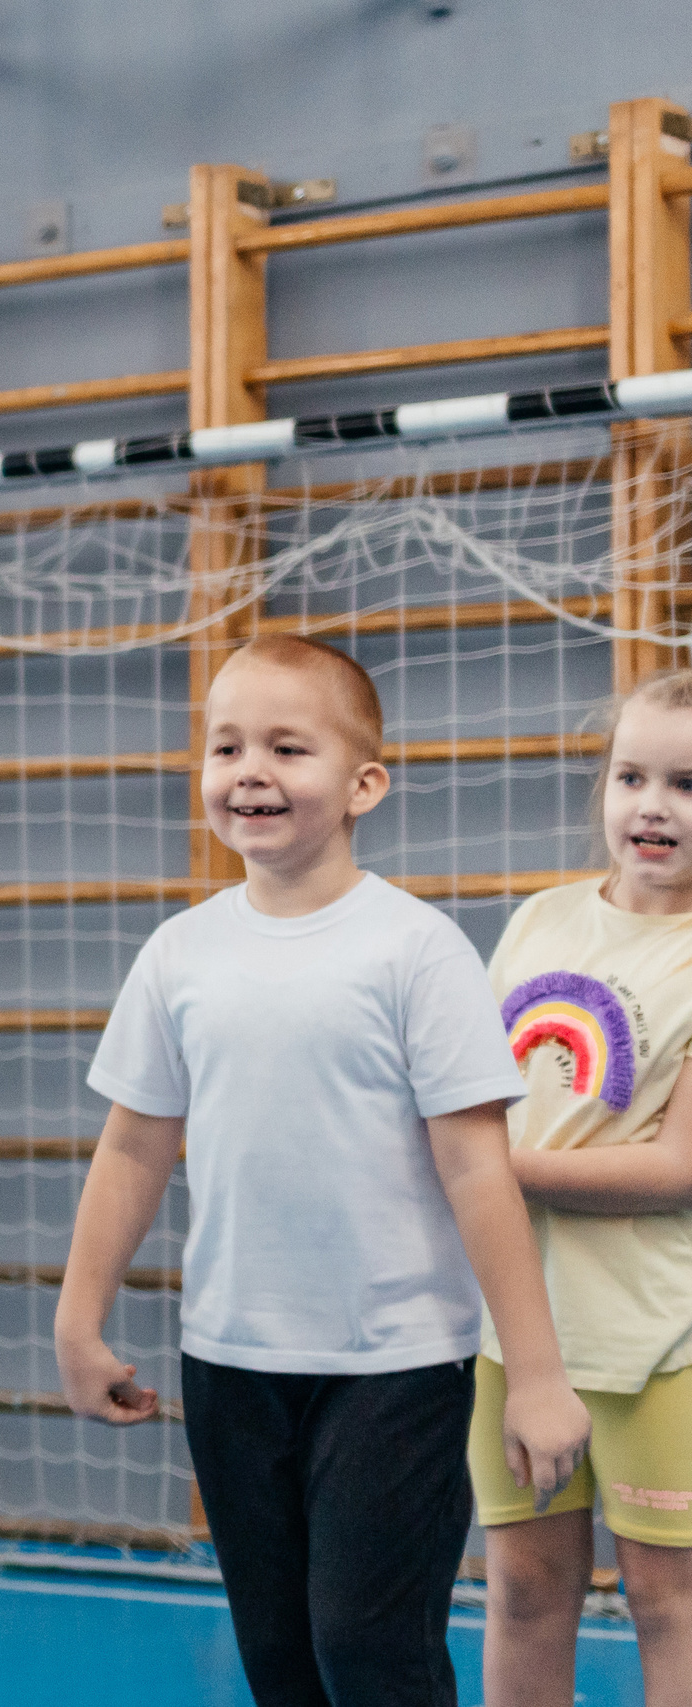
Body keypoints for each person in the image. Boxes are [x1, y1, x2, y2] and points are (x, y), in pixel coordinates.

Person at [56, 633, 592, 1707]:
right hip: (230, 1362)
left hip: (393, 1368)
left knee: (368, 1646)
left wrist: (534, 1372)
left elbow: (478, 1169)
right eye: (225, 746)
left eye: (286, 748)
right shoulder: (179, 953)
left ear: (362, 785)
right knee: (281, 1658)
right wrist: (79, 1316)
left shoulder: (413, 949)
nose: (248, 771)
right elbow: (133, 1144)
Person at [473, 667, 692, 1707]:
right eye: (630, 775)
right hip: (513, 1333)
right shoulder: (539, 920)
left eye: (688, 784)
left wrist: (486, 1174)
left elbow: (675, 1169)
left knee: (666, 1599)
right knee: (520, 1588)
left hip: (660, 1341)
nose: (651, 806)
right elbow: (471, 1093)